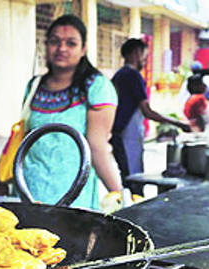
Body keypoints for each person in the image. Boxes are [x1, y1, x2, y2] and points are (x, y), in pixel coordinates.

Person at [12, 14, 122, 209]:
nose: (61, 49)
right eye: (55, 42)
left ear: (83, 49)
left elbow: (98, 146)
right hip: (30, 192)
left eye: (71, 43)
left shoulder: (96, 86)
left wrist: (119, 194)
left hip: (73, 197)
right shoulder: (35, 85)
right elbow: (24, 137)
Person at [111, 38, 190, 194]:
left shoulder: (119, 75)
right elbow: (147, 111)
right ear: (136, 53)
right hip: (127, 136)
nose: (145, 61)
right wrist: (178, 123)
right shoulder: (133, 75)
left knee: (128, 180)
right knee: (134, 181)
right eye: (144, 57)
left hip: (120, 135)